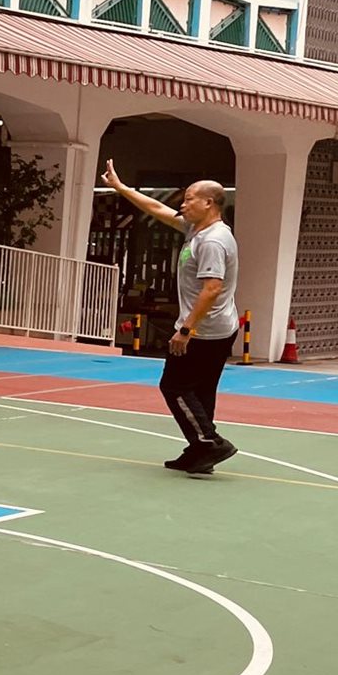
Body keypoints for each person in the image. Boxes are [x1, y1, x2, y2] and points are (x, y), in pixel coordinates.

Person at [102, 161, 241, 473]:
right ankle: (200, 450)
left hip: (204, 330)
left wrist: (186, 330)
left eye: (189, 199)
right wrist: (121, 188)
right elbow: (157, 209)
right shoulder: (196, 230)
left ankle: (209, 442)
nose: (183, 204)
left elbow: (212, 289)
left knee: (174, 387)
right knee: (200, 391)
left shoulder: (213, 240)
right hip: (216, 327)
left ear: (209, 203)